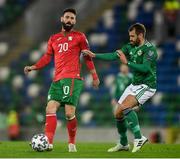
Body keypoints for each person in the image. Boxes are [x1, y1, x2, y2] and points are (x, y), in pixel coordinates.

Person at [24, 8, 100, 152]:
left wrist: (94, 76)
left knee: (69, 113)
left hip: (72, 78)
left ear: (75, 21)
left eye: (72, 18)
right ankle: (48, 143)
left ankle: (71, 143)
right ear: (62, 19)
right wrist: (34, 67)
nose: (69, 20)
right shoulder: (53, 38)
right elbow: (47, 57)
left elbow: (87, 57)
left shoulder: (80, 37)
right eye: (67, 17)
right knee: (50, 108)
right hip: (57, 80)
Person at [83, 23, 157, 153]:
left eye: (133, 36)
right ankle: (123, 144)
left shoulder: (150, 50)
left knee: (126, 107)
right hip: (134, 85)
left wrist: (127, 62)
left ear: (140, 35)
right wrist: (95, 55)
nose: (130, 38)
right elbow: (114, 55)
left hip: (147, 85)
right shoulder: (130, 47)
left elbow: (145, 69)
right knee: (117, 113)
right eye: (129, 36)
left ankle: (139, 138)